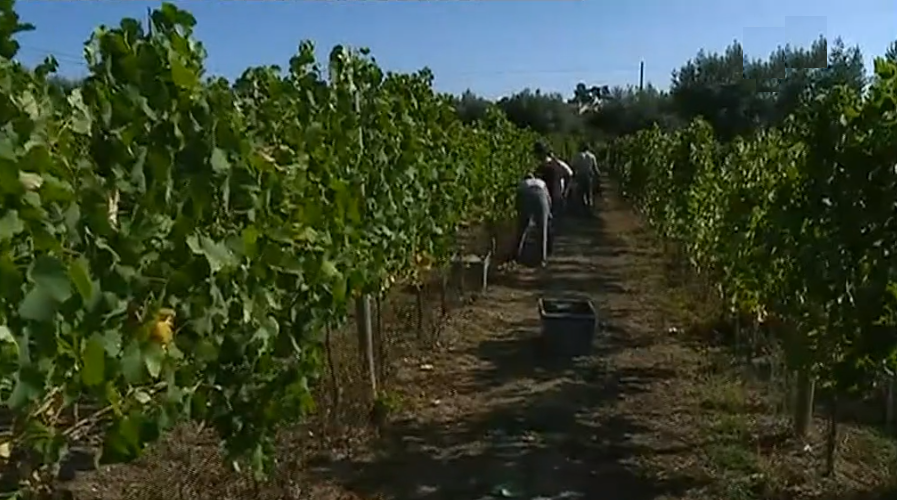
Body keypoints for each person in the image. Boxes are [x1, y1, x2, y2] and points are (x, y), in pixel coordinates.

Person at [514, 173, 552, 267]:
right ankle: (542, 259)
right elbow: (548, 198)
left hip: (526, 196)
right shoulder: (541, 182)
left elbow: (518, 201)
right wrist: (548, 213)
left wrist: (521, 215)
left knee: (521, 229)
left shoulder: (522, 184)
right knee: (543, 230)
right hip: (541, 196)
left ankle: (517, 255)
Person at [533, 142, 572, 216]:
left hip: (547, 198)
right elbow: (569, 175)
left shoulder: (541, 167)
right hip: (557, 197)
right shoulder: (557, 164)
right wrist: (565, 191)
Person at [571, 142, 600, 211]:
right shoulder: (592, 156)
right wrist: (598, 176)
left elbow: (573, 166)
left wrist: (573, 176)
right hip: (589, 176)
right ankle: (589, 209)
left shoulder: (577, 156)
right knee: (589, 193)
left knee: (580, 193)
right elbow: (595, 168)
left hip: (580, 176)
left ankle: (581, 209)